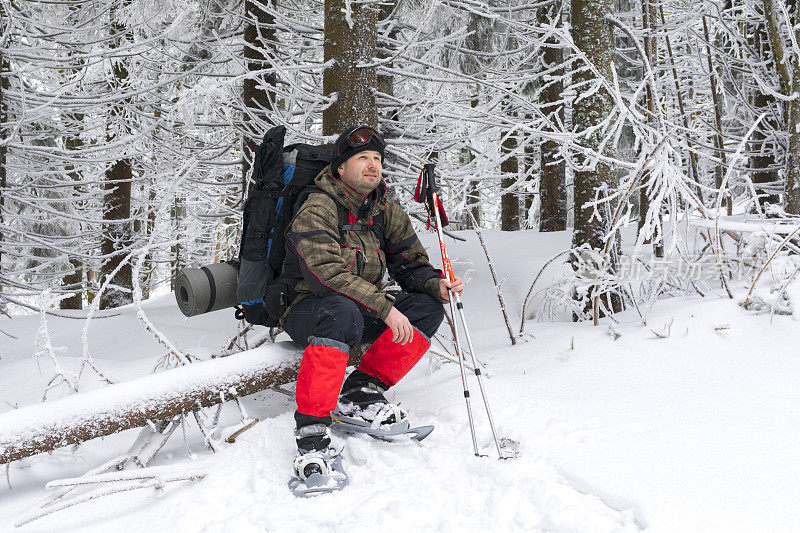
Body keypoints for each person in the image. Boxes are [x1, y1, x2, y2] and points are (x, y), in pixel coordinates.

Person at [279, 125, 465, 478]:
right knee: (341, 310)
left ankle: (362, 391)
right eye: (361, 158)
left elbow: (409, 262)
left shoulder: (385, 208)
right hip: (308, 309)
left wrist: (433, 283)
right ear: (340, 169)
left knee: (426, 308)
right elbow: (326, 276)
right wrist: (385, 307)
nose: (372, 165)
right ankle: (312, 428)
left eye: (377, 158)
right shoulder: (317, 206)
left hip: (358, 308)